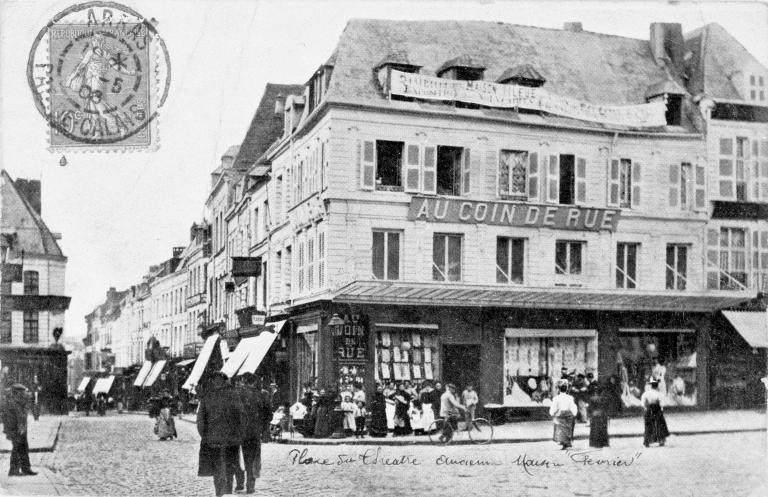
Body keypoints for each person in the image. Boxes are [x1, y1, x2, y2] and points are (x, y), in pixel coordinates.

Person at [63, 32, 136, 137]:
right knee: (93, 109)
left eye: (94, 40)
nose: (93, 41)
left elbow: (80, 67)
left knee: (100, 107)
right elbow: (116, 67)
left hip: (96, 82)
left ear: (98, 41)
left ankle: (121, 125)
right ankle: (97, 132)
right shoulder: (104, 53)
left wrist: (70, 79)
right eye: (93, 40)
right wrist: (129, 72)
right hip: (91, 82)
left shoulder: (92, 53)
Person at [197, 372, 245, 497]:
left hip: (213, 441)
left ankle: (219, 493)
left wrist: (205, 436)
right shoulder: (234, 395)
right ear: (225, 381)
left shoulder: (207, 397)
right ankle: (227, 492)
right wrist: (239, 435)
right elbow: (242, 416)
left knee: (216, 470)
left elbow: (200, 421)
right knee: (229, 468)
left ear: (213, 382)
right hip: (231, 440)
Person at [240, 372, 271, 494]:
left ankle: (240, 482)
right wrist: (263, 427)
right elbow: (268, 413)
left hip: (241, 431)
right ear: (253, 382)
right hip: (255, 431)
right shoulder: (261, 395)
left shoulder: (239, 394)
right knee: (253, 458)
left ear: (244, 381)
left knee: (241, 458)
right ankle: (250, 486)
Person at [3, 384, 37, 476]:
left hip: (21, 429)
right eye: (22, 392)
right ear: (17, 393)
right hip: (15, 429)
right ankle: (13, 470)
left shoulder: (20, 402)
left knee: (24, 448)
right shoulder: (12, 403)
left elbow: (23, 414)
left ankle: (26, 468)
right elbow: (10, 419)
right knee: (17, 448)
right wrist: (11, 431)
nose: (24, 394)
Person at [641, 378, 670, 448]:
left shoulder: (646, 393)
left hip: (649, 410)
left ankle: (647, 441)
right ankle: (661, 440)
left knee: (648, 426)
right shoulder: (659, 394)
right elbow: (662, 404)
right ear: (657, 386)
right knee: (659, 425)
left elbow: (643, 403)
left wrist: (646, 407)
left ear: (651, 386)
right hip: (657, 410)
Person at [549, 382, 578, 450]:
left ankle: (563, 441)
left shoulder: (556, 398)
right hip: (568, 413)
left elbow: (554, 407)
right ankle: (568, 441)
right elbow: (573, 406)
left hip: (560, 413)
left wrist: (552, 413)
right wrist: (574, 413)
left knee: (561, 428)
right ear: (566, 390)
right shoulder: (570, 397)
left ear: (559, 389)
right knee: (568, 428)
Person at [588, 383, 610, 448]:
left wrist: (590, 414)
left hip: (595, 415)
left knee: (595, 429)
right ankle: (603, 442)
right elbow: (607, 407)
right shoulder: (605, 399)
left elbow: (590, 408)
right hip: (603, 415)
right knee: (603, 429)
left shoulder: (592, 398)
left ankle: (595, 443)